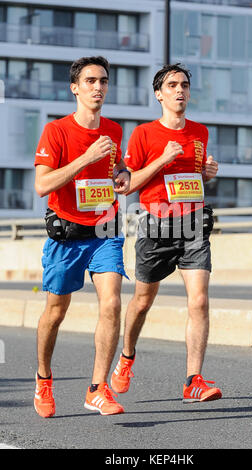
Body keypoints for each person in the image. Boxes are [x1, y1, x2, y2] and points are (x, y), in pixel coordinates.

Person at [111, 64, 222, 403]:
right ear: (159, 94)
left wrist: (208, 174)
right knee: (143, 302)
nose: (180, 91)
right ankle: (127, 357)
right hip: (155, 224)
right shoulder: (144, 134)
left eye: (185, 85)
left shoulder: (200, 132)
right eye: (172, 85)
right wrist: (160, 160)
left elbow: (194, 181)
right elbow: (127, 185)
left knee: (199, 301)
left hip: (193, 223)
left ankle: (194, 379)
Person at [33, 56, 131, 418]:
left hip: (106, 229)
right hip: (67, 232)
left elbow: (116, 169)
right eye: (90, 81)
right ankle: (44, 378)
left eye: (103, 81)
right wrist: (84, 157)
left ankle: (97, 388)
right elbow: (42, 185)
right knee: (56, 312)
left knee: (112, 303)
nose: (98, 87)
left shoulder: (115, 131)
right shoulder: (56, 131)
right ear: (75, 87)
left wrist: (123, 174)